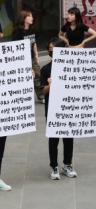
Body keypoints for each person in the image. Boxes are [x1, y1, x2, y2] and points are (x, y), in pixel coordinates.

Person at [40, 38, 78, 180]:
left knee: (68, 137)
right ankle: (54, 165)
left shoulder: (72, 66)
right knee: (53, 139)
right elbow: (43, 92)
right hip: (52, 109)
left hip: (68, 108)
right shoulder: (45, 69)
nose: (51, 51)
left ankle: (67, 164)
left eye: (53, 49)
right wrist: (50, 85)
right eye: (49, 49)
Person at [12, 8, 42, 101]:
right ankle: (21, 97)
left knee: (37, 75)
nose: (32, 18)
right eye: (29, 16)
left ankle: (41, 95)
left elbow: (34, 44)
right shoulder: (17, 32)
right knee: (24, 78)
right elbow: (15, 47)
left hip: (32, 57)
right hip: (22, 59)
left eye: (31, 16)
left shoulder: (32, 30)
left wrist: (36, 56)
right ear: (24, 18)